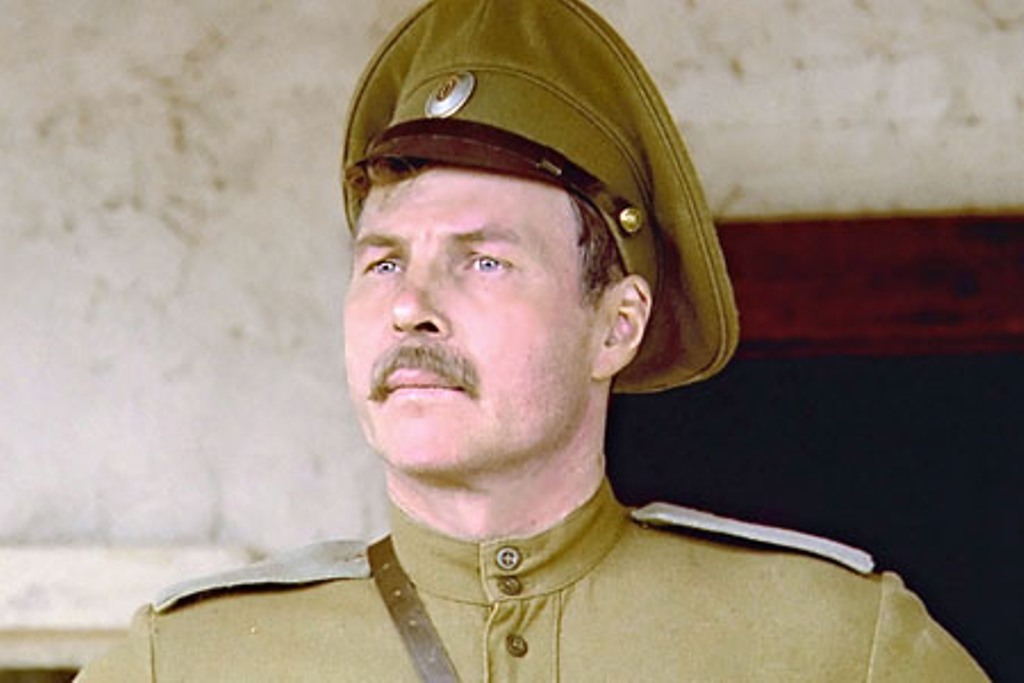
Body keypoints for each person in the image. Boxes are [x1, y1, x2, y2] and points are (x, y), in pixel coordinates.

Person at [76, 0, 988, 680]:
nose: (410, 307)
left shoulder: (835, 646)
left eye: (484, 261)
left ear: (616, 325)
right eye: (383, 262)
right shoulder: (183, 662)